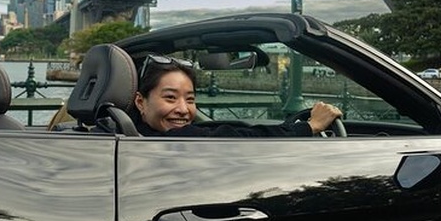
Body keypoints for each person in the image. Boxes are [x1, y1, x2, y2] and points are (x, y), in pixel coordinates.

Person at [132, 54, 343, 137]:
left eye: (190, 99)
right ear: (141, 102)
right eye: (170, 97)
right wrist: (310, 126)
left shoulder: (130, 134)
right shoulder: (175, 140)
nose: (183, 109)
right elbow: (249, 140)